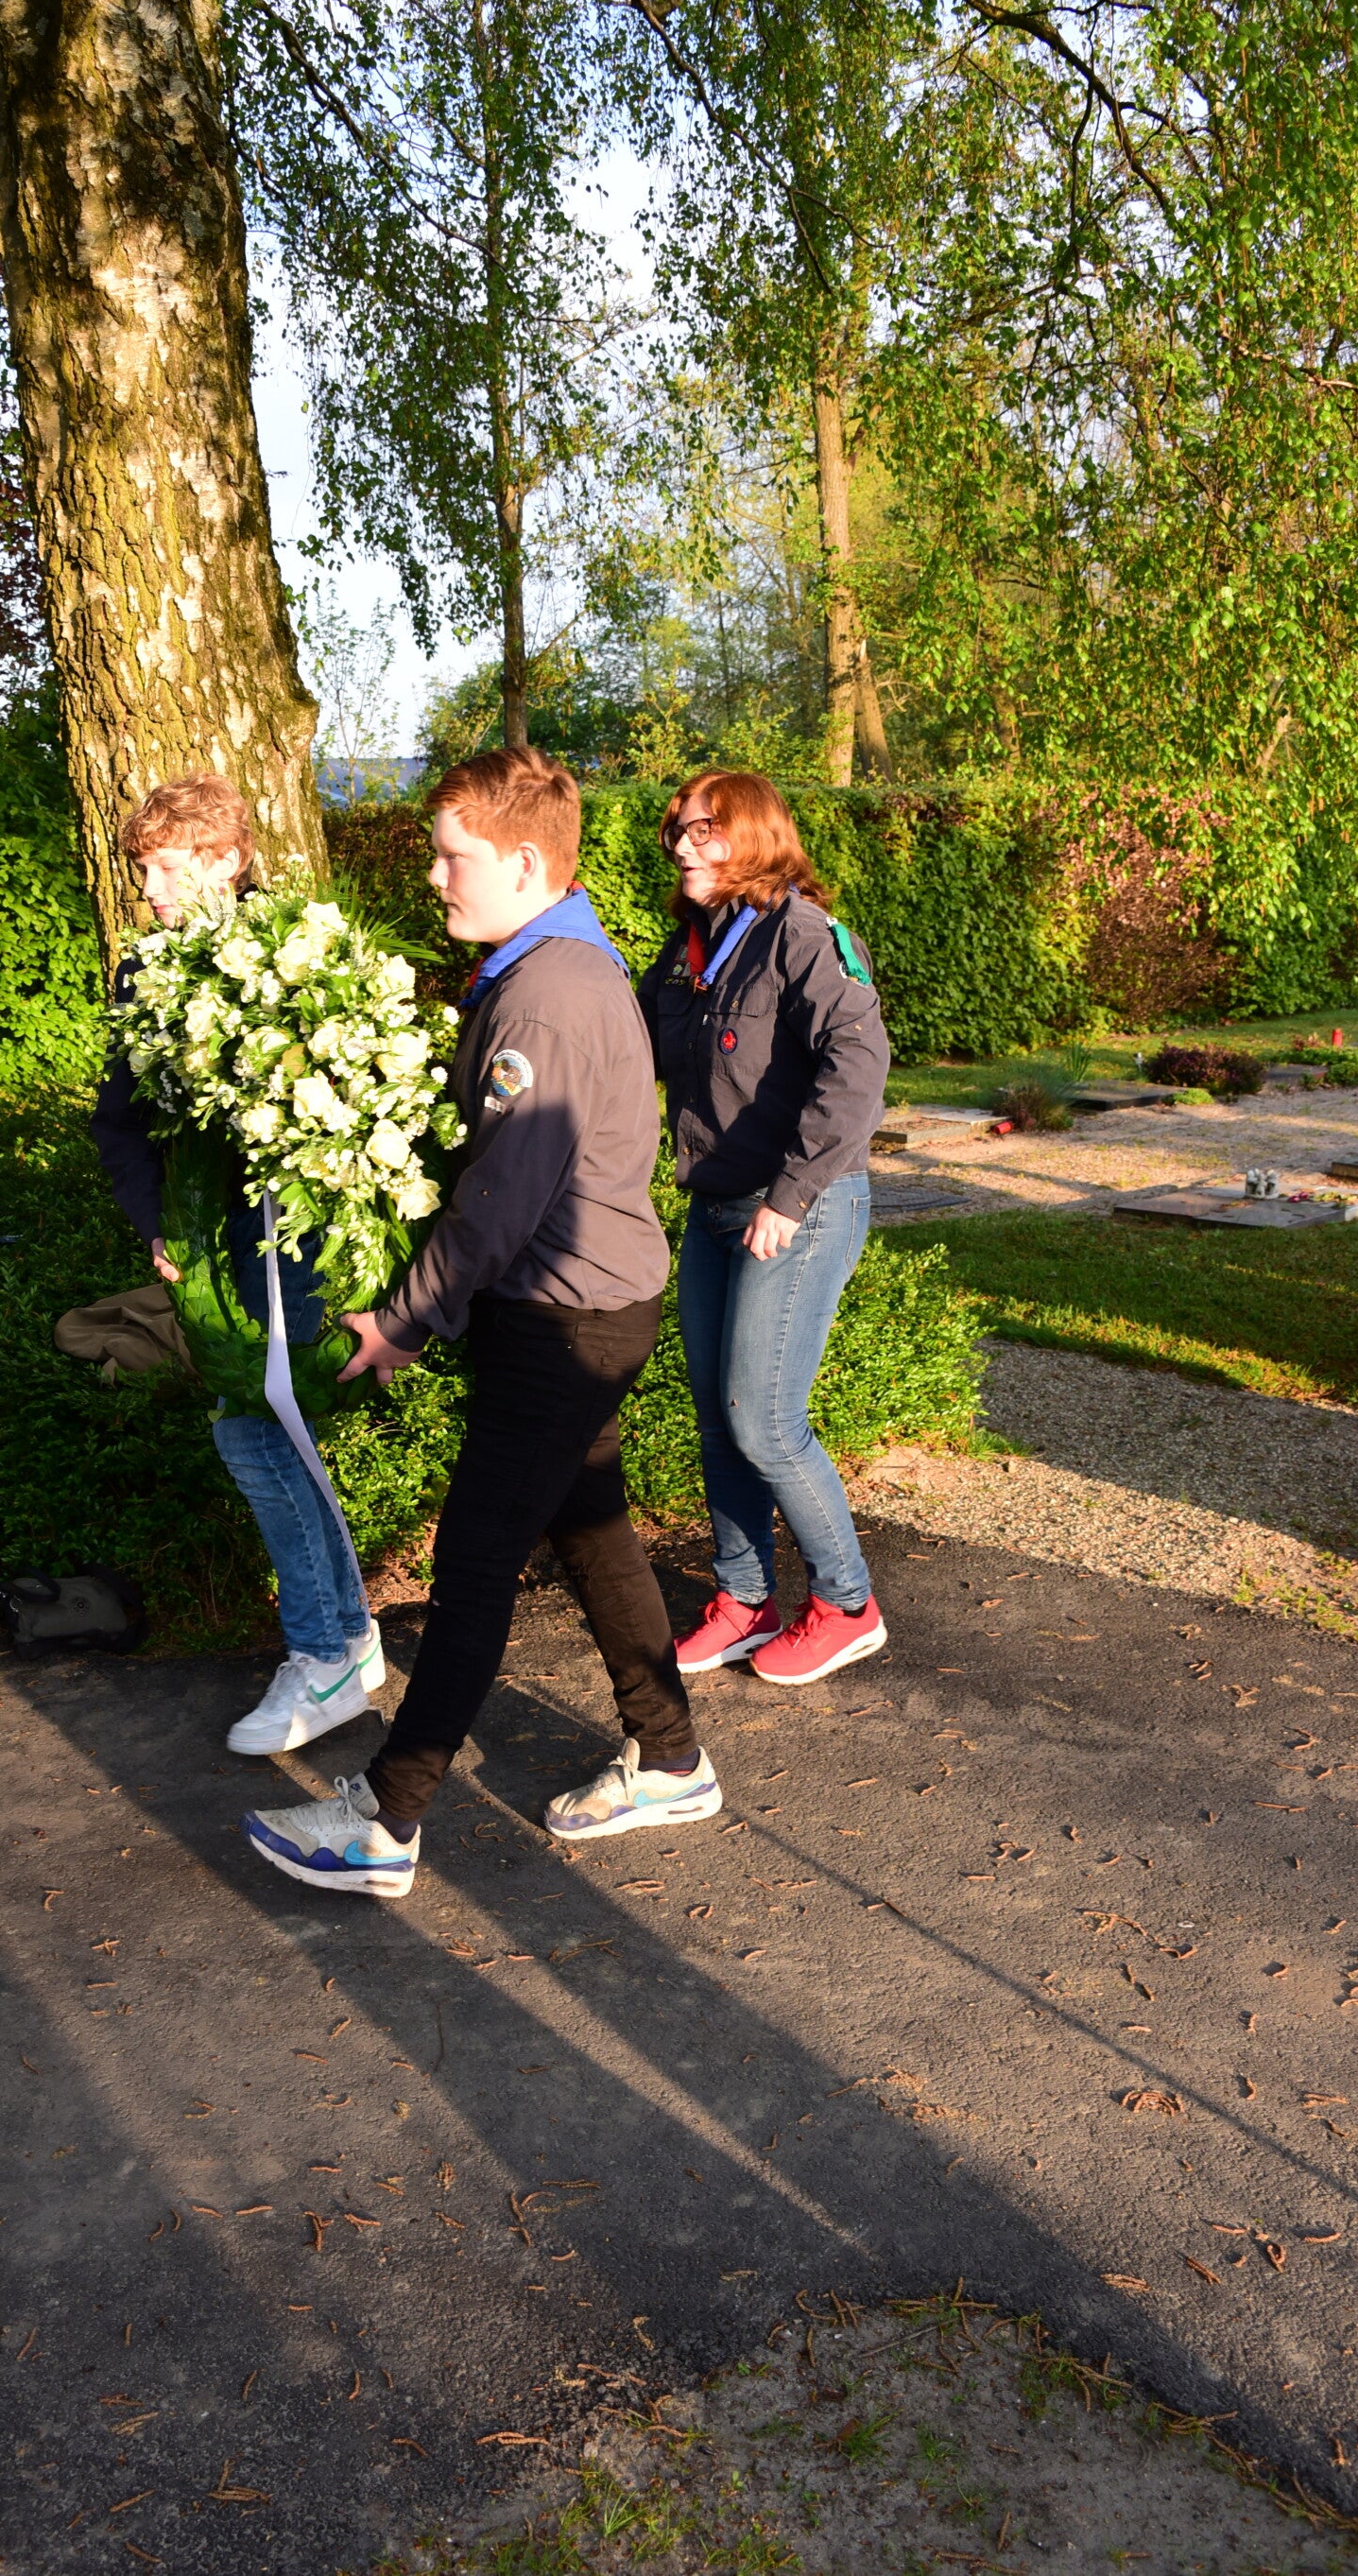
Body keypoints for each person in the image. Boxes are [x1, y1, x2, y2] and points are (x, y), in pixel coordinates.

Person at [242, 747, 715, 1900]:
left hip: (562, 1322)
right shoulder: (550, 967)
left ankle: (384, 1819)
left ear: (525, 862)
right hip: (588, 1307)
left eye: (453, 855)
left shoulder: (545, 996)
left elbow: (501, 1197)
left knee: (473, 1567)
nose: (435, 875)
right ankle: (670, 1757)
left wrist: (406, 1318)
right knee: (589, 1526)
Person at [91, 773, 386, 1752]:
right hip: (206, 1245)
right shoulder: (144, 970)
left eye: (166, 869)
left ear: (226, 860)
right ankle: (346, 1638)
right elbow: (120, 1121)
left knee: (262, 1436)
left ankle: (323, 1653)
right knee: (268, 1436)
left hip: (294, 1242)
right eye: (143, 872)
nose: (150, 892)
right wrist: (159, 1226)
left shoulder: (304, 951)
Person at [644, 770, 891, 1686]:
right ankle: (744, 1602)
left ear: (752, 834)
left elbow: (859, 1063)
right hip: (714, 1208)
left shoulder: (802, 934)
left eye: (704, 828)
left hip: (796, 1208)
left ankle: (848, 1604)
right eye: (678, 829)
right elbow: (633, 1042)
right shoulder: (692, 947)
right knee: (719, 1420)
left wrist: (788, 1198)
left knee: (765, 1421)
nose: (682, 844)